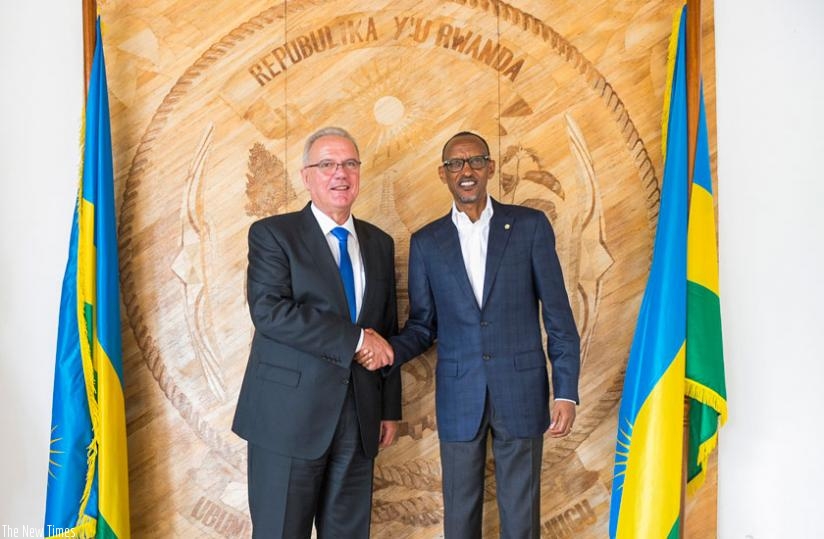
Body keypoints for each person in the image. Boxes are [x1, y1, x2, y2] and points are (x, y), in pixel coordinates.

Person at [359, 131, 580, 538]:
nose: (467, 171)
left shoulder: (530, 226)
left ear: (490, 168)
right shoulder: (427, 243)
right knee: (460, 519)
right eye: (456, 164)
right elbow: (424, 326)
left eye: (476, 161)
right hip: (460, 396)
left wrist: (565, 391)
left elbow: (559, 316)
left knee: (521, 518)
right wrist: (389, 347)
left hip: (523, 391)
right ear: (443, 174)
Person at [232, 126, 400, 538]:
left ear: (359, 173)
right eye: (326, 164)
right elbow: (270, 313)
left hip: (359, 419)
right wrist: (356, 340)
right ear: (307, 176)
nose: (339, 173)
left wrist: (389, 408)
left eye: (349, 164)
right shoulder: (274, 234)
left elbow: (387, 328)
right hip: (287, 418)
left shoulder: (379, 242)